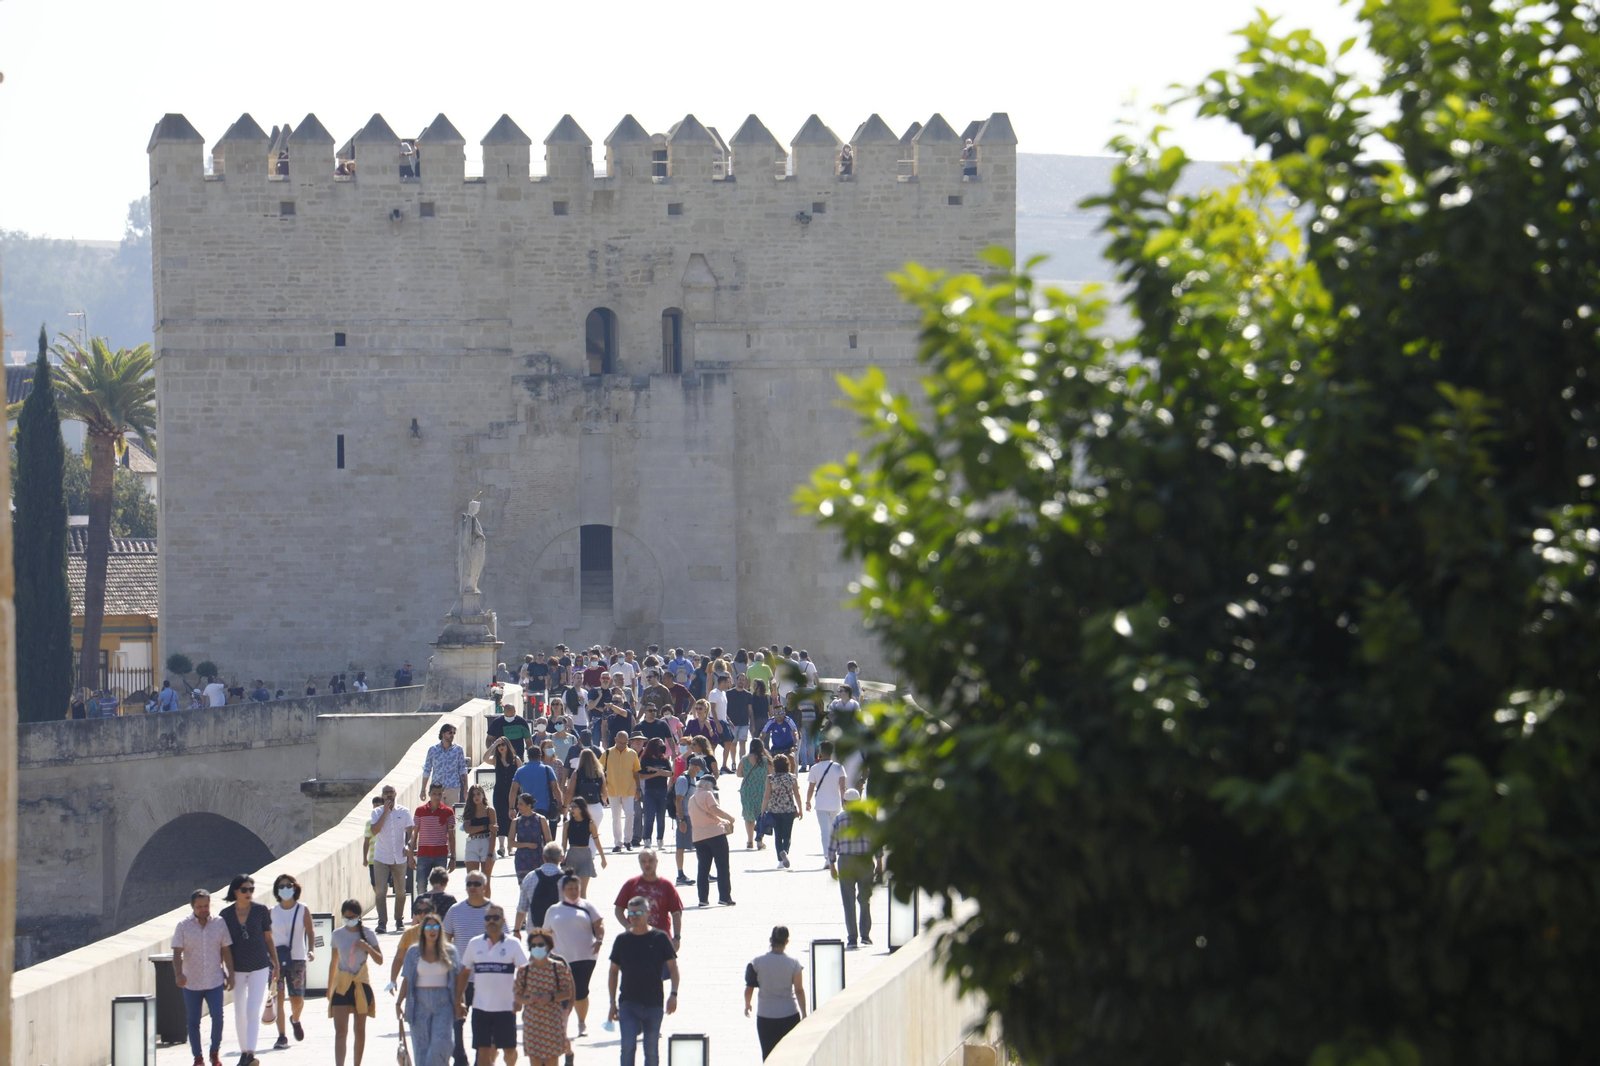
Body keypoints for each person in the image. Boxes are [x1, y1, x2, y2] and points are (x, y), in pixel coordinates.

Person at [608, 895, 680, 1066]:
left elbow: (673, 968)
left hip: (653, 1003)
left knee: (651, 1050)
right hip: (628, 1003)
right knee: (627, 1047)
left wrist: (674, 994)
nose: (634, 917)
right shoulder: (622, 940)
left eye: (639, 912)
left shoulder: (660, 938)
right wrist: (612, 1002)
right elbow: (613, 972)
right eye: (631, 914)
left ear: (648, 913)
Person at [456, 903, 528, 1066]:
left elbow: (524, 971)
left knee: (509, 1051)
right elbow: (465, 973)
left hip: (505, 1008)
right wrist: (459, 999)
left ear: (503, 920)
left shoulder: (512, 944)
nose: (491, 921)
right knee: (483, 1051)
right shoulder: (475, 944)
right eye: (488, 918)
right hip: (481, 1008)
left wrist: (519, 996)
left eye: (495, 918)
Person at [220, 875, 279, 1066]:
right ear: (235, 891)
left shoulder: (260, 911)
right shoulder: (226, 915)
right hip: (236, 968)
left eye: (251, 890)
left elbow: (268, 938)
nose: (248, 893)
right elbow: (223, 946)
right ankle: (243, 1050)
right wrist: (223, 969)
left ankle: (250, 1053)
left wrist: (275, 964)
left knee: (253, 1010)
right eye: (244, 890)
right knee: (239, 1011)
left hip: (259, 966)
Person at [173, 888, 234, 1066]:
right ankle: (197, 1057)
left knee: (218, 1016)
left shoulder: (219, 923)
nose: (203, 909)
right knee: (193, 1021)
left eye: (206, 906)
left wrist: (230, 973)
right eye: (199, 906)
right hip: (192, 982)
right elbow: (177, 953)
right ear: (192, 906)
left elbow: (226, 949)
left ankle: (215, 1052)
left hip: (214, 980)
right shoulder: (183, 926)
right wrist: (178, 973)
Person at [396, 907, 460, 1066]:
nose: (432, 930)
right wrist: (398, 1003)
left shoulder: (450, 951)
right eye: (428, 927)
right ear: (423, 930)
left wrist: (460, 1002)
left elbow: (457, 980)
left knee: (441, 1044)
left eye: (436, 926)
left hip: (443, 1003)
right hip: (419, 1004)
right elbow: (407, 979)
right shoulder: (413, 952)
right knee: (421, 1050)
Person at [545, 874, 604, 1038]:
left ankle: (581, 1022)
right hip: (560, 958)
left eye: (576, 888)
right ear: (563, 890)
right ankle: (561, 1024)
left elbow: (599, 924)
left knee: (581, 991)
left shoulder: (587, 906)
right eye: (570, 888)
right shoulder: (553, 910)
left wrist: (599, 939)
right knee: (563, 991)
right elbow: (546, 933)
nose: (573, 891)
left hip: (586, 956)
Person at [444, 873, 494, 1066]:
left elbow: (503, 941)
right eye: (469, 884)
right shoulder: (455, 911)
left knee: (483, 1024)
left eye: (476, 883)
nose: (472, 887)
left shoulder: (493, 911)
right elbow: (445, 940)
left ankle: (480, 1060)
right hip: (460, 977)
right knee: (457, 1021)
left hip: (486, 978)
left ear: (484, 886)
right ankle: (459, 1057)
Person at [329, 898, 383, 1066]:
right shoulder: (337, 934)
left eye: (352, 916)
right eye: (346, 916)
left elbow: (380, 959)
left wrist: (367, 947)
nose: (349, 919)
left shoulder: (368, 933)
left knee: (359, 1030)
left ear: (359, 916)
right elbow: (334, 960)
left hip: (360, 983)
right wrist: (329, 986)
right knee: (340, 1031)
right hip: (342, 984)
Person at [826, 789, 882, 947]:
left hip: (846, 861)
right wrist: (879, 863)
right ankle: (865, 935)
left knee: (848, 901)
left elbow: (832, 843)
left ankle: (852, 938)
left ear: (844, 803)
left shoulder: (839, 819)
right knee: (865, 899)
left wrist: (831, 864)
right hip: (865, 861)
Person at [744, 925, 807, 1059]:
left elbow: (749, 987)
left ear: (770, 940)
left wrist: (747, 1004)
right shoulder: (794, 963)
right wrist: (804, 1013)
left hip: (765, 1016)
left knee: (768, 1055)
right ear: (787, 942)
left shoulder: (756, 963)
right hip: (789, 1014)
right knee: (790, 1057)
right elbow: (799, 990)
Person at [514, 928, 574, 1066]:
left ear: (548, 946)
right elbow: (517, 994)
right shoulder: (524, 970)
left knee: (551, 1060)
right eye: (533, 945)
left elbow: (567, 992)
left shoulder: (557, 968)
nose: (537, 948)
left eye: (540, 945)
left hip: (552, 1021)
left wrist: (551, 997)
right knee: (534, 1060)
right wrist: (528, 999)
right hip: (532, 1022)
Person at [270, 873, 315, 1048]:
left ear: (295, 888)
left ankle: (295, 1019)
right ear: (276, 890)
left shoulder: (302, 909)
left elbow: (310, 931)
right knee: (278, 998)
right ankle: (282, 1035)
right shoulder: (272, 912)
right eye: (281, 887)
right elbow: (266, 936)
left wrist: (311, 950)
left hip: (297, 958)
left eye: (288, 886)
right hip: (277, 960)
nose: (285, 889)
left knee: (297, 998)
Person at [612, 849, 684, 957]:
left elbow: (676, 913)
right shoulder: (631, 884)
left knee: (664, 973)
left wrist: (677, 937)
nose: (647, 864)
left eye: (650, 860)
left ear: (656, 862)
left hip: (661, 940)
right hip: (635, 941)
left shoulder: (666, 885)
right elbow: (618, 909)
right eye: (643, 861)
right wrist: (627, 926)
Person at [687, 774, 737, 907]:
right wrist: (730, 818)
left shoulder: (692, 799)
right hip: (715, 834)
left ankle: (702, 899)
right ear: (709, 786)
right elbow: (715, 809)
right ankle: (725, 897)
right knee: (722, 866)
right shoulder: (707, 795)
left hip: (698, 837)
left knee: (703, 868)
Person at [369, 784, 414, 933]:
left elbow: (411, 832)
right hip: (382, 857)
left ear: (395, 794)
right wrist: (385, 812)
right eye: (385, 793)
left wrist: (408, 845)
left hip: (399, 858)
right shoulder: (376, 812)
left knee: (401, 892)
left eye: (391, 792)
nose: (388, 795)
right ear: (382, 796)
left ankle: (399, 920)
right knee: (381, 892)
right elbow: (374, 831)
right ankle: (382, 922)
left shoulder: (404, 812)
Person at [510, 738, 561, 833]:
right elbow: (555, 788)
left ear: (528, 756)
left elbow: (513, 790)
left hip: (525, 808)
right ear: (540, 755)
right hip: (544, 808)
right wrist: (561, 804)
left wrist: (511, 808)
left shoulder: (520, 771)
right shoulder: (547, 769)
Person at [806, 741, 848, 858]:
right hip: (835, 804)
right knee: (834, 831)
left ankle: (827, 856)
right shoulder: (839, 768)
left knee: (824, 831)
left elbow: (811, 788)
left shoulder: (814, 768)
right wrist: (845, 802)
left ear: (820, 752)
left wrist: (808, 802)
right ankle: (835, 851)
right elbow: (842, 788)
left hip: (820, 805)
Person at [413, 782, 459, 891]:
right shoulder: (420, 811)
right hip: (423, 853)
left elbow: (451, 836)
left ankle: (438, 907)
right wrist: (411, 855)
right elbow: (415, 834)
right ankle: (423, 907)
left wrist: (453, 857)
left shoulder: (448, 812)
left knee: (440, 886)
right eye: (434, 794)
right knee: (420, 885)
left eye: (439, 794)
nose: (437, 797)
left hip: (440, 854)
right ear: (429, 794)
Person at [515, 842, 567, 934]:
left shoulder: (530, 877)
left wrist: (516, 930)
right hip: (559, 931)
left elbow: (522, 907)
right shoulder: (565, 879)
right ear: (561, 858)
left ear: (543, 858)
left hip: (535, 932)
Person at [761, 754, 803, 869]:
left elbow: (766, 796)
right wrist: (800, 809)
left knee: (778, 835)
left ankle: (780, 861)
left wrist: (762, 810)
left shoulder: (770, 778)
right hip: (789, 809)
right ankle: (785, 851)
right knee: (787, 835)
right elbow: (797, 795)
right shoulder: (792, 777)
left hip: (775, 810)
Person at [602, 730, 641, 851]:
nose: (623, 745)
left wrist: (638, 788)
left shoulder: (632, 754)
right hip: (612, 789)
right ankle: (618, 843)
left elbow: (636, 772)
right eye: (620, 743)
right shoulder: (607, 753)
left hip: (628, 789)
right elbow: (600, 770)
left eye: (625, 743)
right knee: (616, 816)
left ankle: (628, 840)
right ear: (615, 740)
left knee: (630, 813)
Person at [484, 738, 521, 859]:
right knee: (500, 817)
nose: (501, 747)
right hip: (499, 792)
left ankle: (511, 846)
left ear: (508, 746)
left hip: (514, 792)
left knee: (511, 817)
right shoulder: (496, 760)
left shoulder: (516, 760)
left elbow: (521, 775)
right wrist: (493, 745)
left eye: (503, 744)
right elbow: (485, 758)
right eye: (499, 745)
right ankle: (501, 846)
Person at [561, 795, 607, 895]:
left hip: (586, 857)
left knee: (582, 891)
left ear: (581, 808)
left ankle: (582, 909)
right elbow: (563, 844)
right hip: (572, 855)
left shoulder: (590, 824)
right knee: (570, 890)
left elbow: (597, 841)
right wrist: (562, 859)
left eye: (574, 807)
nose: (572, 809)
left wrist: (603, 858)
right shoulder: (567, 824)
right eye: (571, 807)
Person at [636, 737, 673, 848]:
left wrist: (659, 771)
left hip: (662, 791)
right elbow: (641, 776)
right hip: (650, 791)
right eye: (660, 744)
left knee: (661, 817)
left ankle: (660, 839)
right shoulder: (645, 759)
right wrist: (657, 774)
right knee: (649, 816)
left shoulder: (664, 759)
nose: (662, 746)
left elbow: (670, 773)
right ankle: (647, 839)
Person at [462, 784, 499, 892]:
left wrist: (490, 854)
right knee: (472, 880)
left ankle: (485, 908)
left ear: (483, 794)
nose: (476, 797)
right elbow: (468, 829)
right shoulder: (469, 810)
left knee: (485, 881)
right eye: (473, 795)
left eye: (478, 794)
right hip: (472, 843)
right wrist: (486, 826)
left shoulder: (490, 811)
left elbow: (493, 833)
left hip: (486, 842)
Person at [510, 793, 553, 883]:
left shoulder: (540, 819)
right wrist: (527, 845)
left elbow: (548, 841)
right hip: (521, 859)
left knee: (539, 888)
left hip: (538, 858)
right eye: (517, 804)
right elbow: (511, 843)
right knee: (523, 887)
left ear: (529, 806)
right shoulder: (516, 822)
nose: (518, 806)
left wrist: (549, 858)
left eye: (521, 804)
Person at [738, 739, 773, 850]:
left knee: (748, 816)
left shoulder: (744, 759)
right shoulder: (766, 760)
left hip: (747, 790)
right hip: (762, 790)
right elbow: (772, 774)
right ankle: (759, 841)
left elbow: (739, 774)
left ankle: (749, 840)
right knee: (761, 815)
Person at [423, 723, 470, 804]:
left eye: (453, 733)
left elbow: (463, 769)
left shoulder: (458, 749)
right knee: (437, 814)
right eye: (449, 733)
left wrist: (466, 787)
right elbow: (427, 770)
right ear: (443, 734)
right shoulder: (433, 750)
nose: (452, 735)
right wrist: (423, 789)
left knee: (451, 814)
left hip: (453, 788)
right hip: (437, 789)